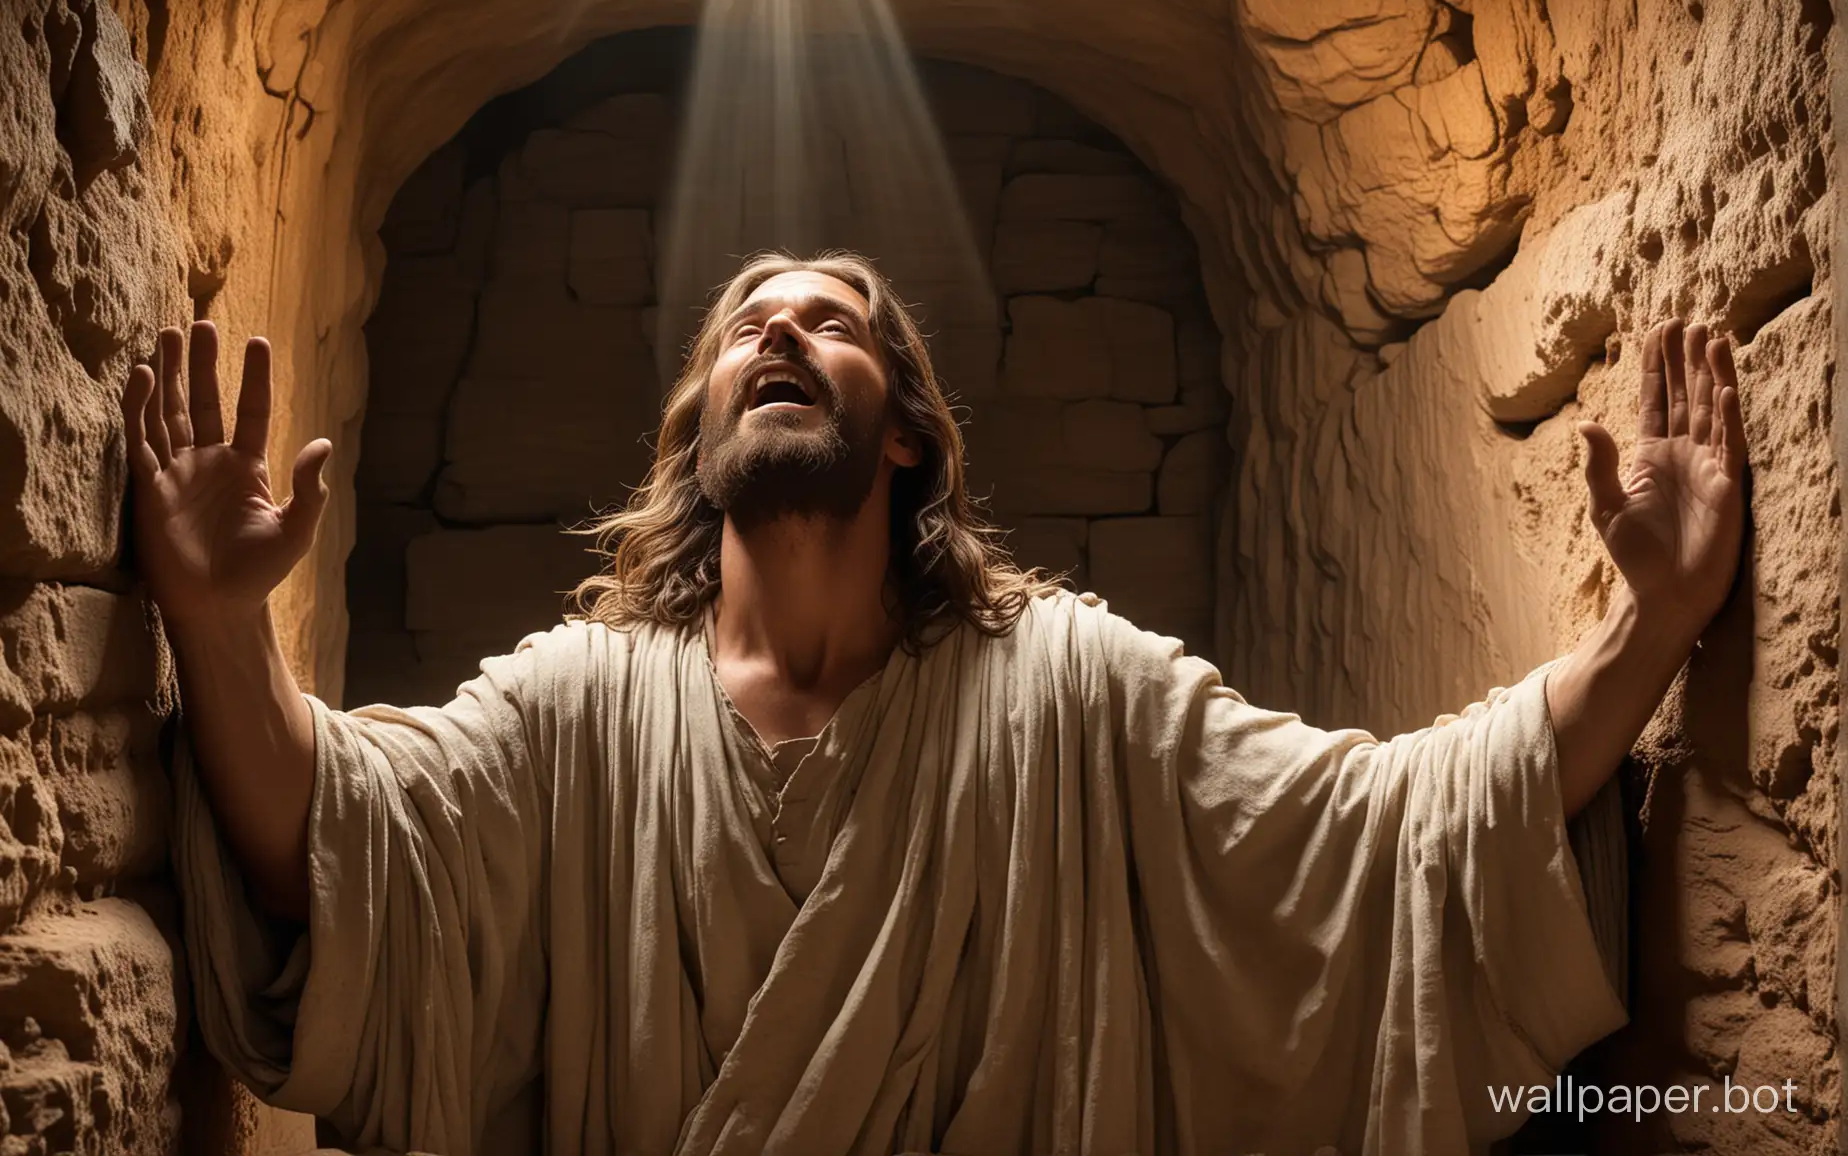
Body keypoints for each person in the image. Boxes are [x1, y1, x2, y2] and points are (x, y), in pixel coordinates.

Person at [128, 250, 1747, 1156]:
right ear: (700, 438)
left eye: (827, 318)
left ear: (905, 432)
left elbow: (1380, 840)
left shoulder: (1075, 692)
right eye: (747, 324)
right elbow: (337, 856)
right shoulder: (573, 716)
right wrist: (212, 619)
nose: (779, 326)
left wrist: (1655, 625)